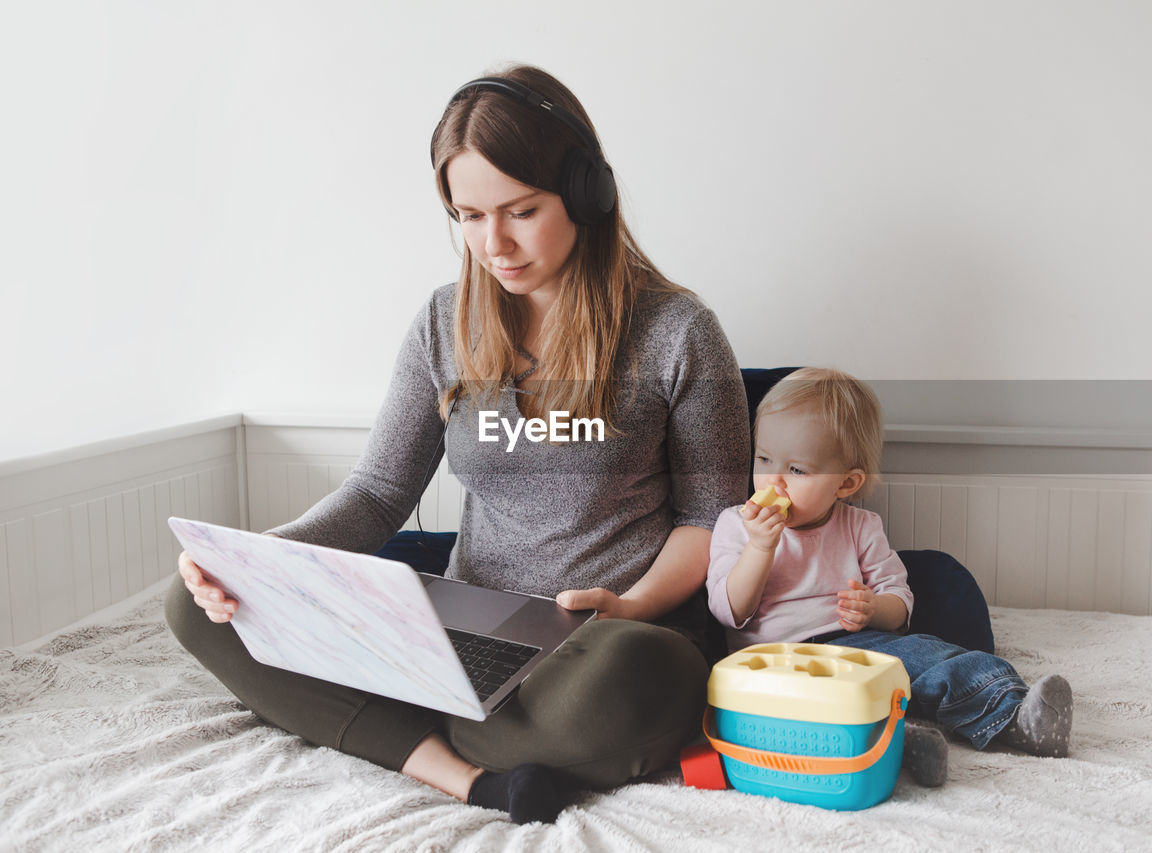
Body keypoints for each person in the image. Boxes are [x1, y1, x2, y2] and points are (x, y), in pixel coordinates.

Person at [167, 64, 750, 825]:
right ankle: (471, 774)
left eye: (520, 210)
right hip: (463, 635)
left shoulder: (679, 331)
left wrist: (631, 605)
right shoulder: (444, 323)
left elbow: (715, 518)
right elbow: (378, 493)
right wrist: (262, 561)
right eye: (468, 216)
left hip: (606, 644)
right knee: (195, 602)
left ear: (587, 193)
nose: (492, 243)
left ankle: (402, 726)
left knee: (639, 672)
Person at [706, 367, 1073, 772]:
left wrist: (873, 608)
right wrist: (760, 546)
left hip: (856, 651)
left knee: (928, 657)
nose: (773, 479)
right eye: (764, 458)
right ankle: (898, 746)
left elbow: (900, 603)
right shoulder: (737, 524)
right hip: (770, 664)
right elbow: (729, 611)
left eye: (797, 471)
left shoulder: (860, 528)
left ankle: (1013, 714)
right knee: (800, 714)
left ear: (846, 484)